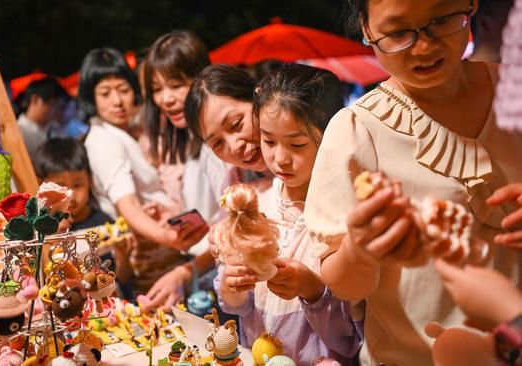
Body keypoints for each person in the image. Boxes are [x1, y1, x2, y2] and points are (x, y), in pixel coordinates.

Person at [304, 0, 522, 364]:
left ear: (470, 5)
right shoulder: (358, 131)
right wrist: (360, 250)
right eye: (399, 32)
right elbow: (344, 285)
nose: (424, 46)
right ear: (367, 29)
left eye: (442, 20)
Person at [214, 65, 363, 365]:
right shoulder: (256, 203)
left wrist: (313, 290)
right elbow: (237, 307)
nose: (279, 158)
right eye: (268, 141)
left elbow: (353, 334)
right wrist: (232, 286)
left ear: (330, 137)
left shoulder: (343, 217)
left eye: (296, 144)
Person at [78, 47, 208, 295]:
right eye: (105, 93)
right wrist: (167, 237)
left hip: (164, 244)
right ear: (90, 98)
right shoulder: (104, 139)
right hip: (149, 254)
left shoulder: (125, 131)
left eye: (124, 90)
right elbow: (128, 204)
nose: (117, 101)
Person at [138, 31, 229, 311]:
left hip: (224, 273)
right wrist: (175, 217)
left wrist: (185, 271)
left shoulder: (221, 145)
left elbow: (234, 228)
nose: (166, 99)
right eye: (157, 89)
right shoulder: (192, 139)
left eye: (176, 84)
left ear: (201, 78)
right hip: (205, 269)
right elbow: (211, 215)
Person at [34, 137, 133, 297]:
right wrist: (53, 235)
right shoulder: (38, 229)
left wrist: (123, 257)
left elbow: (122, 280)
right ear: (42, 185)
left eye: (77, 185)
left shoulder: (103, 224)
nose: (71, 196)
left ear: (90, 181)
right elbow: (40, 279)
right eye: (60, 187)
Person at [17, 76, 67, 159]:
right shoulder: (20, 132)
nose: (56, 110)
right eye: (53, 104)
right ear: (35, 99)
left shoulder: (55, 128)